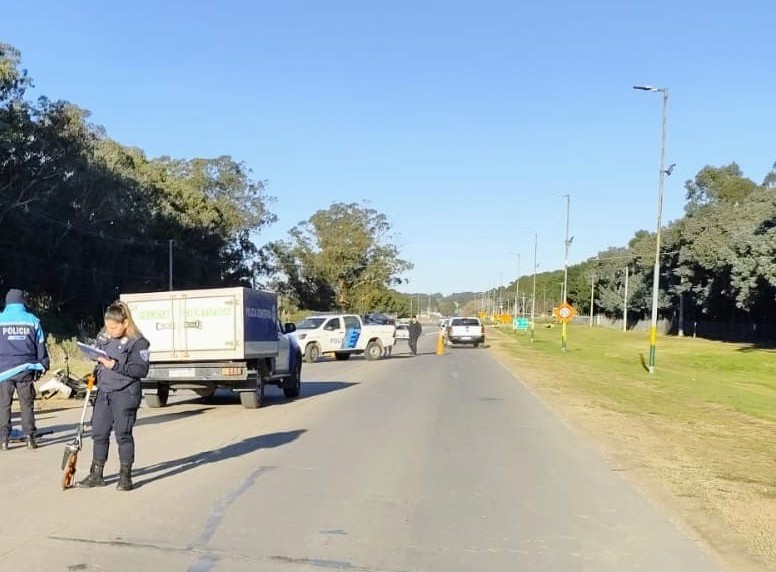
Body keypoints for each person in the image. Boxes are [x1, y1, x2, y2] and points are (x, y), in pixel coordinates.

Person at [79, 301, 150, 491]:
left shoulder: (138, 342)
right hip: (104, 391)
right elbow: (97, 349)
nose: (109, 331)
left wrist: (114, 365)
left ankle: (125, 476)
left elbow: (141, 370)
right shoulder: (104, 336)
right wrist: (93, 354)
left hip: (126, 392)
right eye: (107, 326)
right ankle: (96, 474)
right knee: (99, 433)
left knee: (123, 435)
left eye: (114, 327)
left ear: (125, 323)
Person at [0, 289, 49, 450]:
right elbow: (40, 343)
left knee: (4, 405)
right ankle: (29, 437)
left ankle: (4, 440)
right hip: (26, 368)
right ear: (22, 302)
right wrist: (43, 363)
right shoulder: (32, 320)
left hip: (3, 370)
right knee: (26, 405)